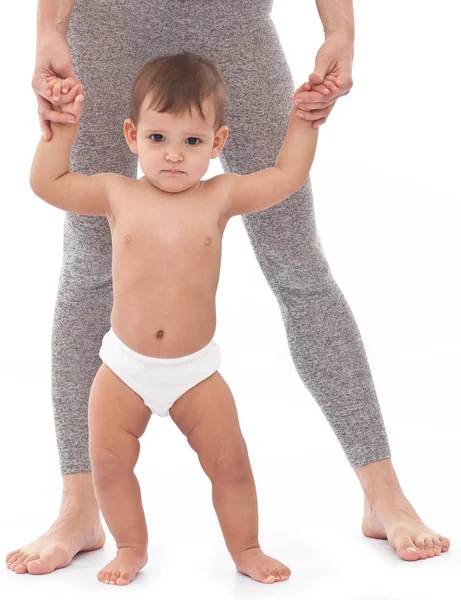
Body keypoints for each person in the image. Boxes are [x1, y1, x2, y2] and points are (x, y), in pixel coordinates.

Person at [5, 0, 449, 576]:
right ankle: (80, 506)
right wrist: (48, 30)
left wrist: (339, 28)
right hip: (110, 18)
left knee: (298, 264)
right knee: (90, 266)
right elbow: (49, 181)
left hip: (234, 20)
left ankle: (382, 492)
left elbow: (286, 175)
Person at [27, 50, 316, 585]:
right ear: (132, 136)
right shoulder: (117, 193)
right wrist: (63, 123)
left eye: (192, 141)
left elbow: (286, 175)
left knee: (231, 466)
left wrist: (303, 120)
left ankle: (247, 549)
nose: (174, 156)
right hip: (121, 369)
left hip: (195, 372)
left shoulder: (221, 195)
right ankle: (130, 547)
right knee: (109, 468)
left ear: (218, 144)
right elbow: (48, 184)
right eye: (159, 139)